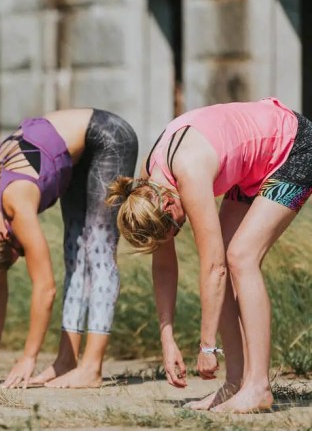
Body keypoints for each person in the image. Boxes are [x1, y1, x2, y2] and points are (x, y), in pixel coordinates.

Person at [107, 97, 312, 413]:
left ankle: (258, 387)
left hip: (294, 147)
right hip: (251, 166)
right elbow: (164, 269)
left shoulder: (187, 172)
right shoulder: (152, 186)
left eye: (174, 229)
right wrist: (167, 338)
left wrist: (207, 346)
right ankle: (235, 384)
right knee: (232, 262)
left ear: (169, 206)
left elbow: (213, 266)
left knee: (240, 258)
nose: (176, 236)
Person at [0, 109, 138, 389]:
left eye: (18, 251)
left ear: (6, 233)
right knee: (74, 252)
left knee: (99, 249)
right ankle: (66, 362)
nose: (23, 252)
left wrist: (28, 357)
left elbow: (45, 288)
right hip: (74, 155)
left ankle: (92, 368)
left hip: (108, 136)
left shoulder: (16, 205)